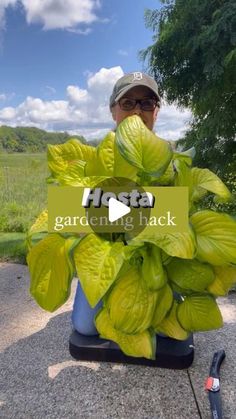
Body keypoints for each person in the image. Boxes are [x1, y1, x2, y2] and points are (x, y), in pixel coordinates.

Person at [72, 71, 161, 335]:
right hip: (106, 258)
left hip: (151, 263)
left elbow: (178, 223)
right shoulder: (96, 158)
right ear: (113, 111)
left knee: (167, 331)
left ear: (156, 111)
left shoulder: (169, 158)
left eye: (146, 103)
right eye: (127, 103)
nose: (137, 112)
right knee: (85, 327)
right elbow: (74, 219)